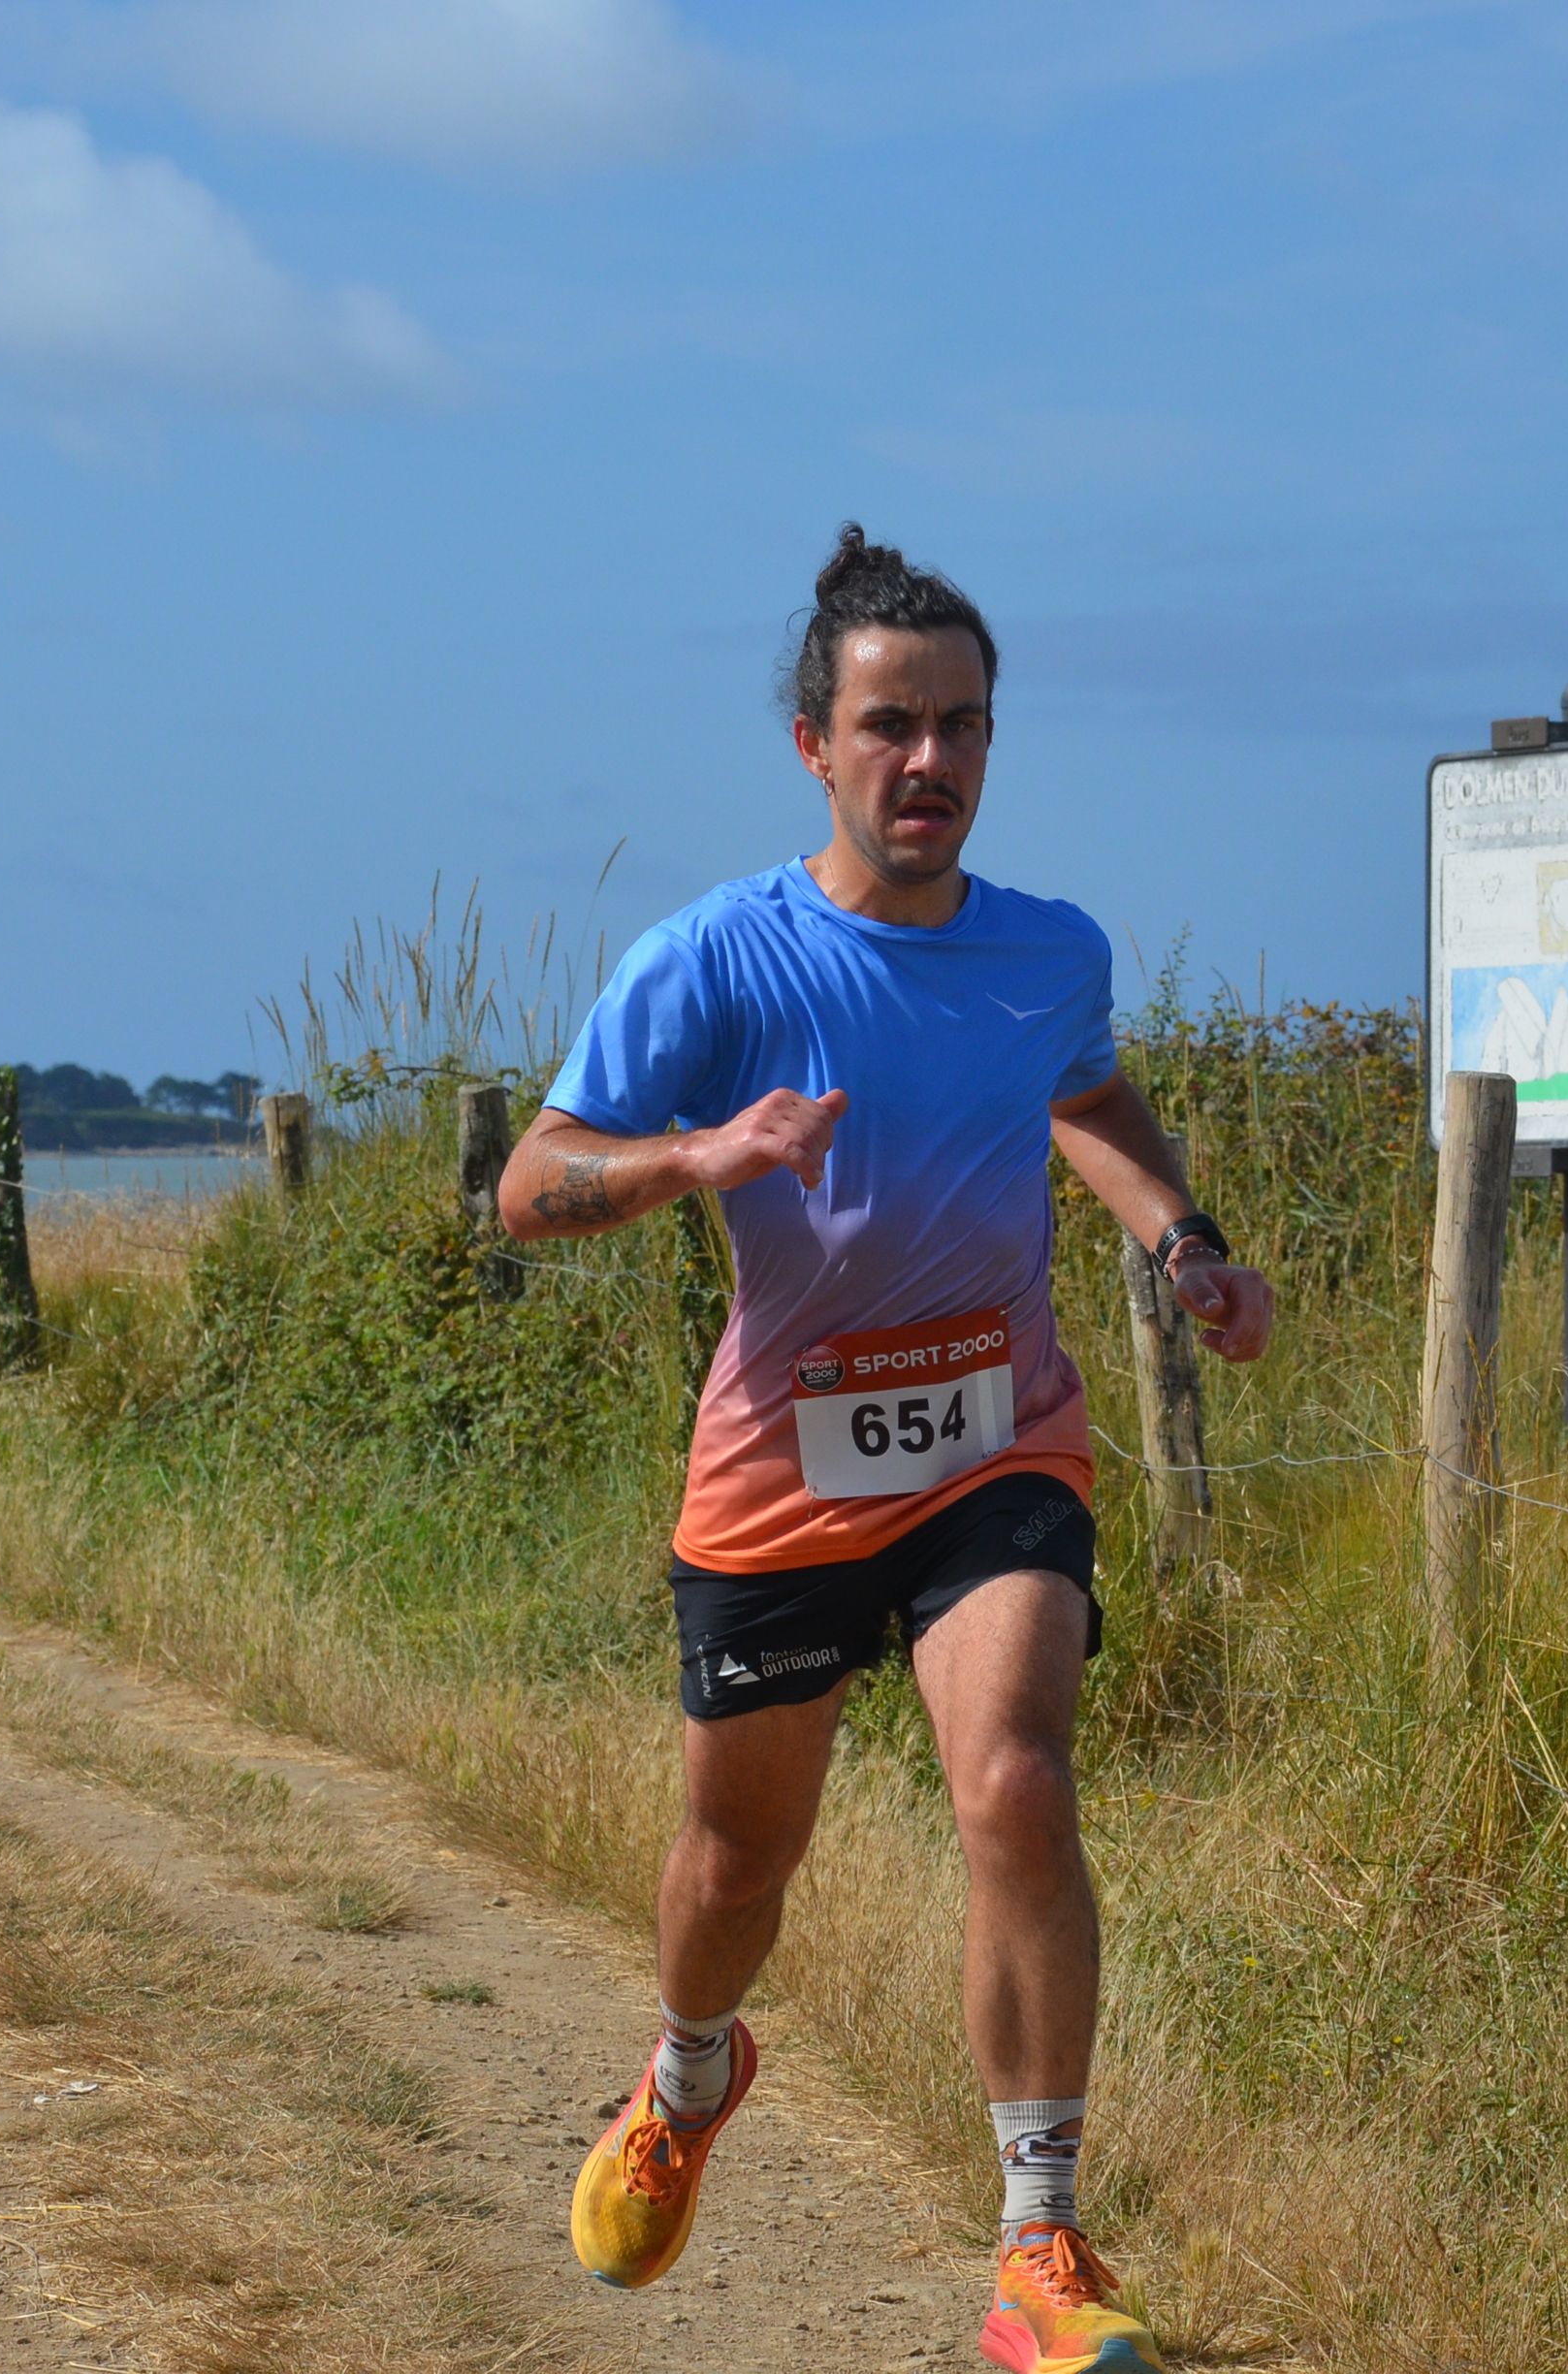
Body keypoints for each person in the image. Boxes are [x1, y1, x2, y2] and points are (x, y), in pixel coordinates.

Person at [499, 524, 1275, 2373]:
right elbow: (529, 1186)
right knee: (732, 1872)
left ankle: (1038, 2244)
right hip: (782, 1475)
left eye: (963, 726)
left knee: (1014, 1781)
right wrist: (698, 1156)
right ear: (813, 744)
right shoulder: (714, 959)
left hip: (1000, 1443)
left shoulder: (1048, 952)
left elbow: (1083, 1091)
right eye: (891, 725)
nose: (930, 761)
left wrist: (1182, 1238)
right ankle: (691, 2076)